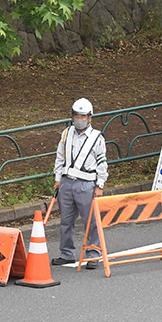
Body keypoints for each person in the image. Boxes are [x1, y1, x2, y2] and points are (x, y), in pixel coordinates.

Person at [52, 97, 108, 270]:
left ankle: (93, 255)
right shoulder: (66, 133)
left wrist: (100, 185)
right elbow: (60, 157)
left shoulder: (97, 137)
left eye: (83, 116)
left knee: (90, 221)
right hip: (67, 182)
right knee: (66, 220)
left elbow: (102, 163)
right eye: (76, 115)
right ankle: (67, 254)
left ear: (89, 118)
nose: (79, 119)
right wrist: (57, 178)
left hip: (87, 183)